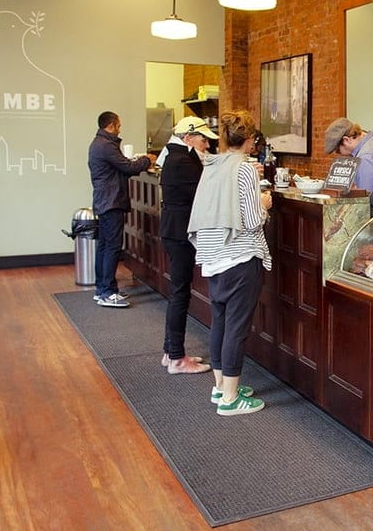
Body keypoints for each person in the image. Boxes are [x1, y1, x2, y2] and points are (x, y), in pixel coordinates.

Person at [188, 110, 271, 416]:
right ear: (249, 139)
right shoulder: (246, 169)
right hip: (239, 257)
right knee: (237, 328)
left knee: (220, 323)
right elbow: (251, 221)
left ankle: (221, 386)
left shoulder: (212, 165)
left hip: (213, 257)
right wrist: (263, 204)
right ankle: (231, 400)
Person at [158, 116, 219, 375]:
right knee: (180, 292)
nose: (206, 143)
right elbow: (206, 192)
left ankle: (170, 351)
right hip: (180, 231)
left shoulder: (176, 155)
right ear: (188, 137)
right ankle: (176, 359)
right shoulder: (182, 160)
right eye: (203, 138)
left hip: (175, 229)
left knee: (178, 291)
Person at [88, 111, 156, 307]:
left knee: (104, 245)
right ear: (111, 125)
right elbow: (128, 167)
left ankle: (102, 288)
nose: (120, 129)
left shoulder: (98, 143)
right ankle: (107, 292)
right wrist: (146, 160)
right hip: (111, 201)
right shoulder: (107, 146)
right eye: (118, 126)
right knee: (112, 246)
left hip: (105, 200)